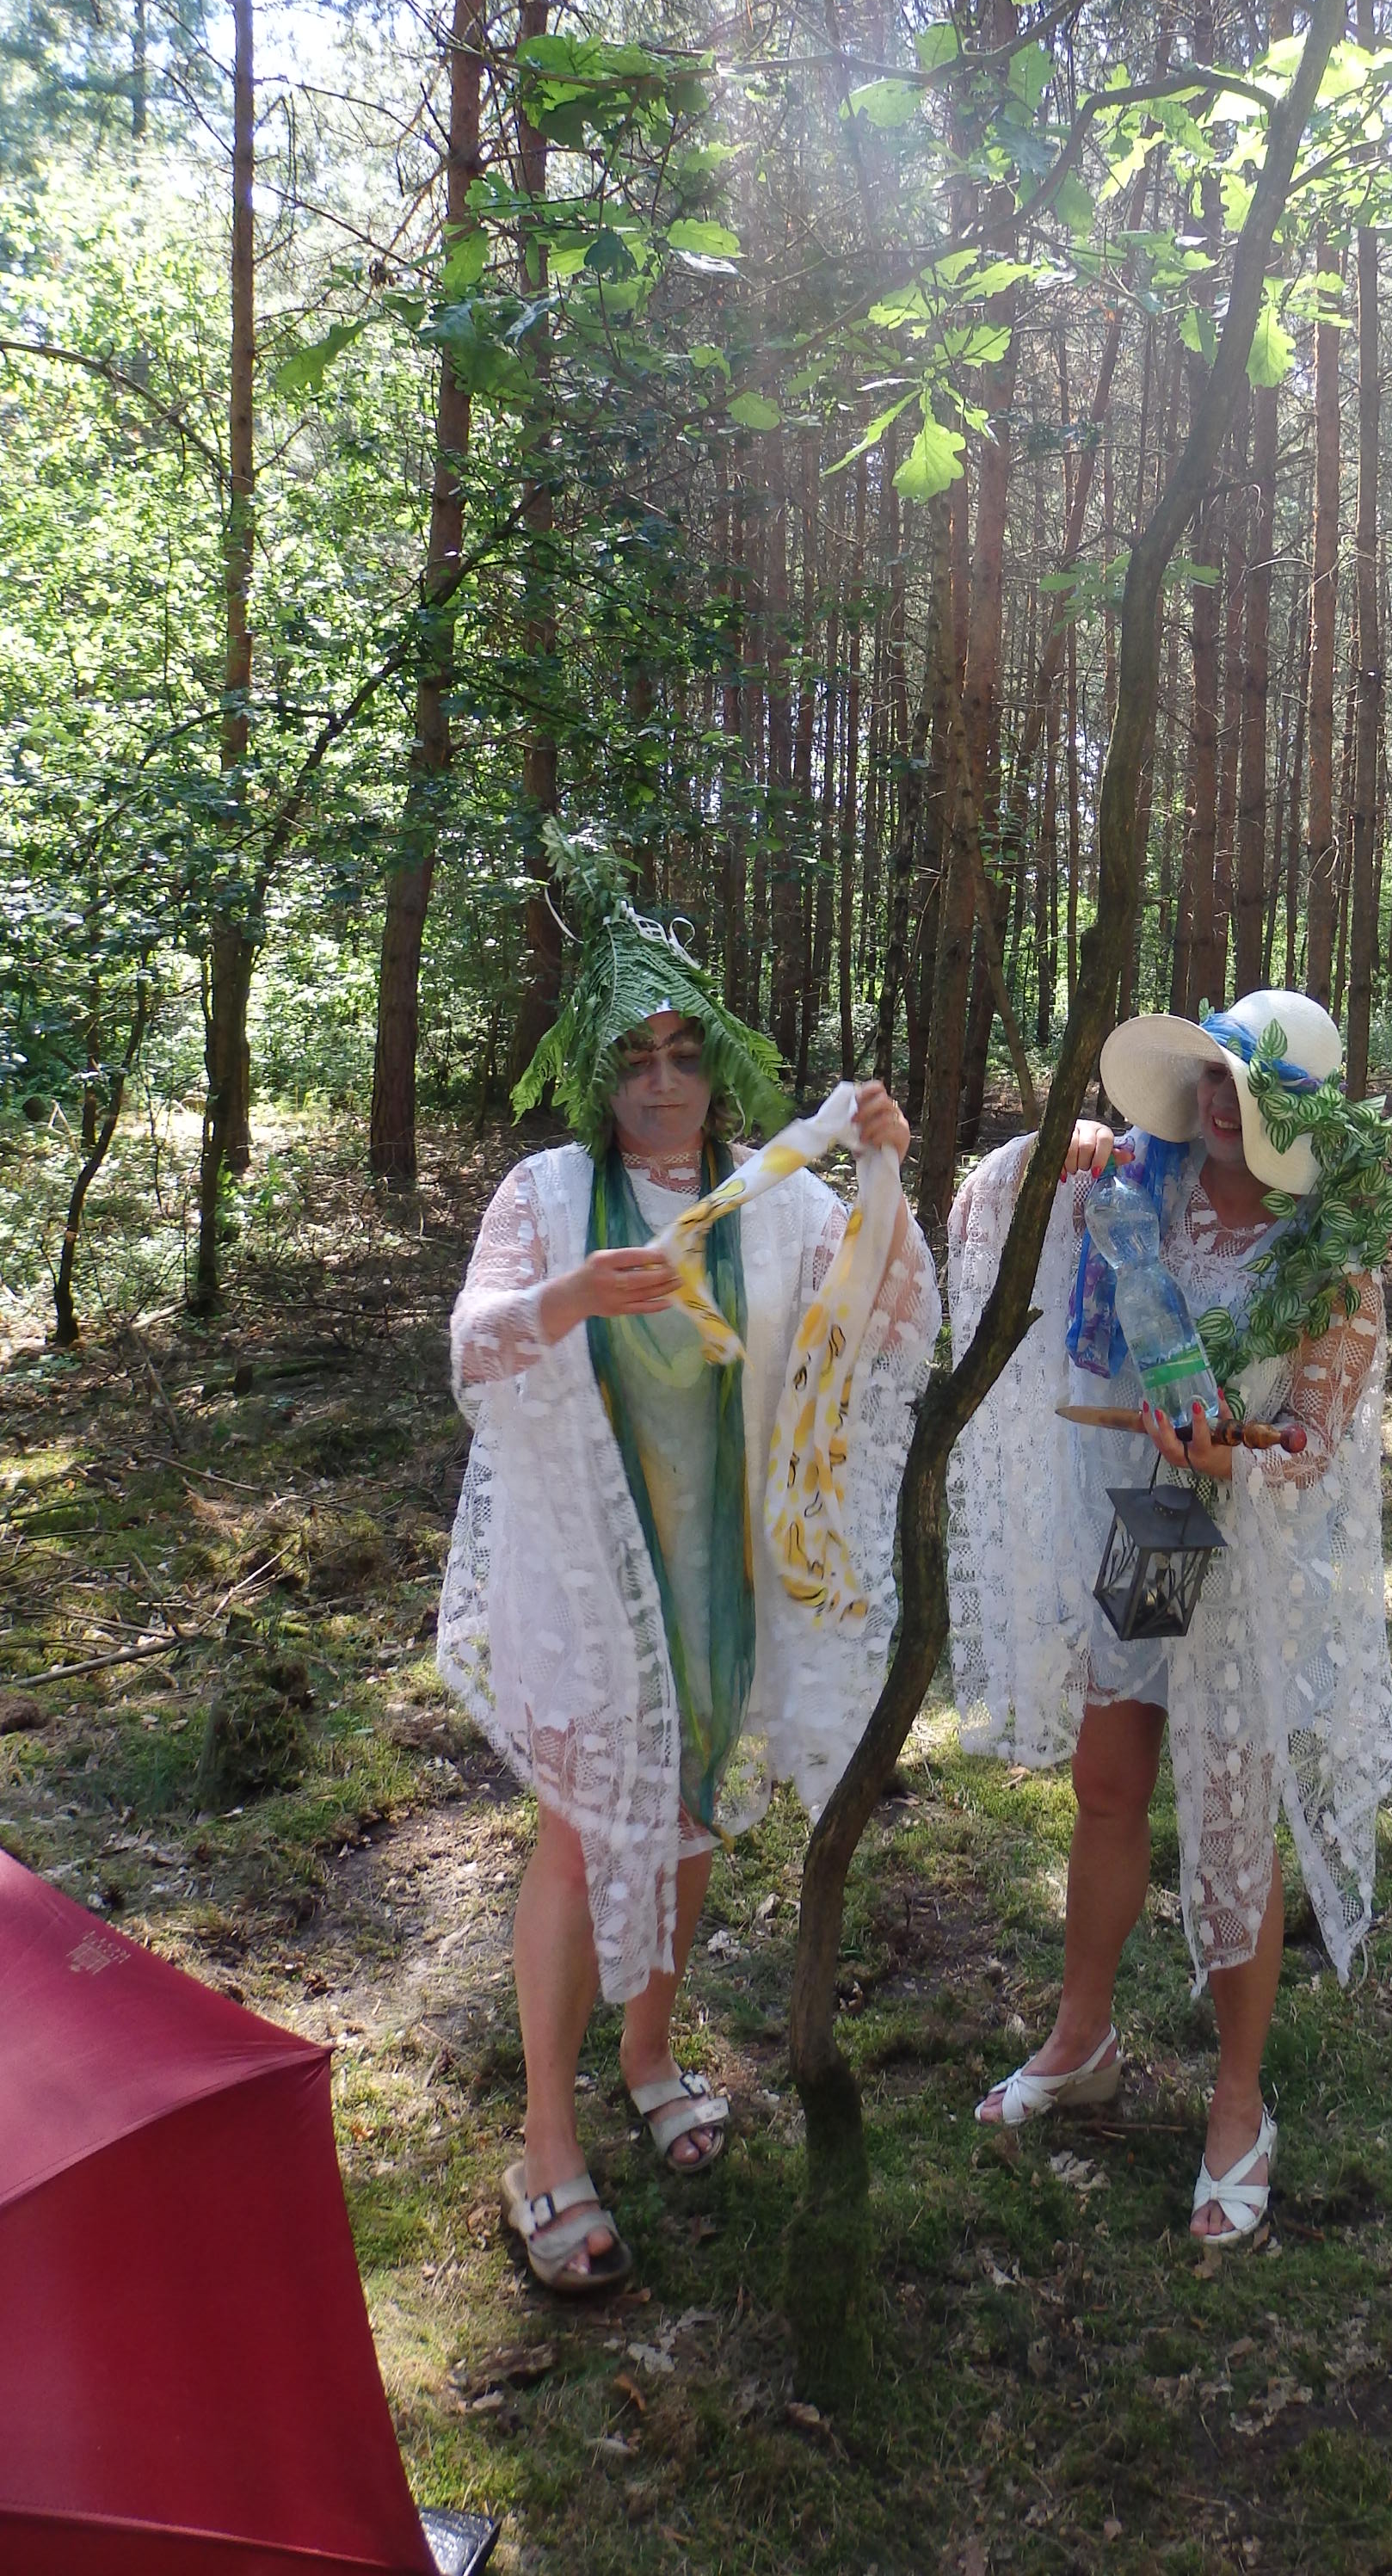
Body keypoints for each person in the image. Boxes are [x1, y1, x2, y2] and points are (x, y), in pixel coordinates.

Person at [440, 883, 938, 2293]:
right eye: (632, 1059)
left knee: (692, 1811)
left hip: (725, 1585)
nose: (660, 1084)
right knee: (581, 1837)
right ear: (596, 1076)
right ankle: (547, 2140)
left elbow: (892, 1319)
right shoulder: (546, 1198)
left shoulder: (778, 1204)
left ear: (720, 1067)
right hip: (591, 1580)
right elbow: (473, 1347)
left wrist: (885, 1173)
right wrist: (568, 1300)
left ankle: (648, 2056)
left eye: (682, 1054)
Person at [946, 989, 1392, 2244]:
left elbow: (1315, 1444)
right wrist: (1057, 1154)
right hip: (1149, 1533)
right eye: (1210, 1075)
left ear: (1294, 1123)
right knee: (1107, 1782)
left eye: (1243, 1089)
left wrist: (1232, 1459)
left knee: (1230, 1828)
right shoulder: (1138, 1189)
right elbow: (989, 1213)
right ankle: (1081, 2039)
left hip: (1242, 1568)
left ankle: (1238, 2107)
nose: (1217, 1101)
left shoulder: (1332, 1264)